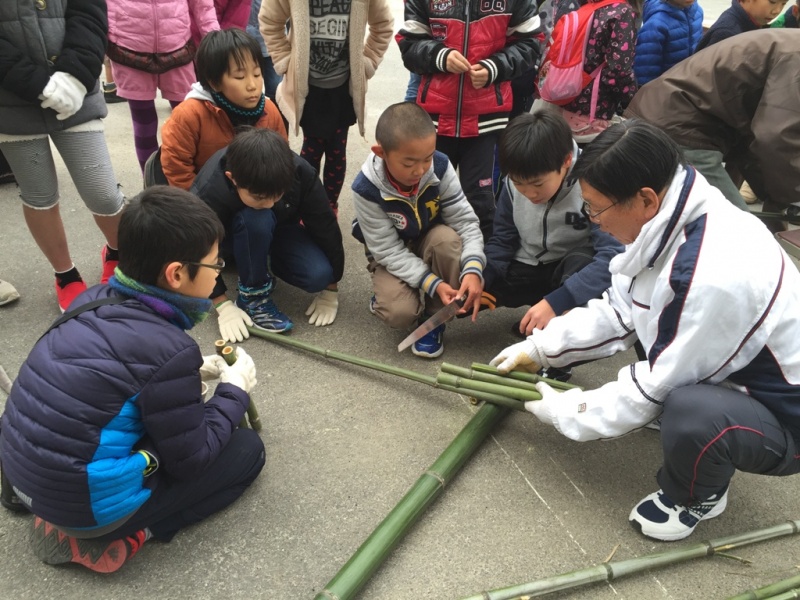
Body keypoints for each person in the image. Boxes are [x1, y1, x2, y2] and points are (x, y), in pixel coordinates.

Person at [490, 120, 800, 542]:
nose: (594, 221)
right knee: (678, 392)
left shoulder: (709, 274)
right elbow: (621, 309)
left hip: (787, 416)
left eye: (596, 209)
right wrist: (542, 348)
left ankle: (697, 495)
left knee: (690, 411)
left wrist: (570, 411)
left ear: (645, 198)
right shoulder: (673, 215)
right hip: (737, 373)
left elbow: (658, 385)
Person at [0, 187, 265, 573]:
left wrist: (189, 374)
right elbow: (192, 459)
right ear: (176, 274)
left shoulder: (92, 298)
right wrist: (234, 390)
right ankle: (136, 532)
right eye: (215, 264)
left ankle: (61, 511)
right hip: (85, 509)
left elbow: (113, 381)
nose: (217, 273)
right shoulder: (169, 350)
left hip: (23, 475)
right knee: (247, 451)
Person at [0, 0, 126, 313]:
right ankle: (65, 274)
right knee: (39, 195)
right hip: (9, 100)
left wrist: (75, 74)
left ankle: (117, 252)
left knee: (102, 192)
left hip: (77, 92)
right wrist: (35, 82)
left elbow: (90, 12)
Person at [397, 0, 541, 241]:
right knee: (426, 200)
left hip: (486, 122)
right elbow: (409, 44)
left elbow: (531, 43)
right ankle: (426, 259)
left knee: (480, 204)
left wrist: (495, 67)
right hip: (434, 121)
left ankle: (480, 262)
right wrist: (440, 56)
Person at [351, 102, 485, 359]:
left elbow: (465, 222)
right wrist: (432, 283)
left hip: (430, 240)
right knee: (399, 313)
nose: (421, 170)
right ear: (381, 153)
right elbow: (387, 250)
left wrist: (473, 268)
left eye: (427, 158)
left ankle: (434, 320)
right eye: (409, 163)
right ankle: (386, 296)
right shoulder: (365, 189)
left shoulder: (441, 166)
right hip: (391, 254)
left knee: (448, 241)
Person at [623, 29, 800, 217]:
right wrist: (792, 196)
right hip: (682, 126)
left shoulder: (790, 45)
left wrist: (777, 196)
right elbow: (775, 137)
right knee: (737, 225)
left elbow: (762, 141)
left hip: (663, 112)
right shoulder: (795, 56)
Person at [191, 127, 344, 340]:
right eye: (260, 197)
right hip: (231, 240)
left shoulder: (300, 171)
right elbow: (195, 246)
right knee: (257, 216)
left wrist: (331, 287)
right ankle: (252, 297)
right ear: (232, 179)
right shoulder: (209, 190)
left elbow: (324, 225)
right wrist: (221, 303)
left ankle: (264, 261)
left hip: (281, 229)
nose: (270, 203)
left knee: (318, 275)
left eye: (277, 195)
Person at [484, 111, 623, 340]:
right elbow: (502, 237)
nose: (529, 194)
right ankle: (541, 311)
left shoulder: (594, 182)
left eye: (538, 184)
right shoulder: (515, 178)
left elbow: (612, 256)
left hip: (570, 269)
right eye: (519, 184)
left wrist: (559, 301)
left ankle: (560, 327)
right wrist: (484, 275)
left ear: (566, 161)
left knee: (584, 266)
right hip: (531, 263)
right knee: (478, 289)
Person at [260, 0, 394, 213]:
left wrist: (368, 62)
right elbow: (270, 21)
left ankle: (330, 205)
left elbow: (383, 25)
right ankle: (307, 205)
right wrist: (284, 60)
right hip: (309, 88)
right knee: (312, 150)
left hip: (343, 88)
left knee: (336, 151)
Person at [160, 28, 287, 190]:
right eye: (240, 77)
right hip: (205, 198)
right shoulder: (189, 115)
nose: (252, 85)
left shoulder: (269, 110)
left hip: (258, 196)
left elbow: (282, 159)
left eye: (256, 74)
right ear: (214, 82)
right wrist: (201, 201)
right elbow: (177, 168)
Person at [106, 0, 219, 171]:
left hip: (177, 45)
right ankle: (151, 180)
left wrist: (214, 38)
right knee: (143, 122)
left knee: (191, 118)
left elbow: (202, 4)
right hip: (128, 46)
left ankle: (197, 177)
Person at [535, 0, 640, 143]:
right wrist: (631, 97)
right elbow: (618, 69)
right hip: (594, 113)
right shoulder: (622, 13)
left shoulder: (588, 7)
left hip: (566, 98)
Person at [633, 0, 704, 86]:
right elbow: (646, 70)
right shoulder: (656, 25)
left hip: (689, 84)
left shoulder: (697, 13)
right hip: (665, 88)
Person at [696, 0, 787, 51]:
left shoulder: (754, 23)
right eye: (772, 2)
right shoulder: (727, 33)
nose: (777, 11)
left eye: (783, 3)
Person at [246, 0, 281, 101]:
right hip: (243, 44)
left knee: (275, 87)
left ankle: (274, 109)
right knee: (245, 85)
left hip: (271, 44)